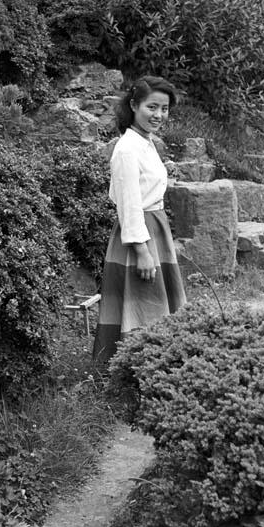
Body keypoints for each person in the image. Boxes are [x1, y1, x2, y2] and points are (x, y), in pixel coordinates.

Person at [93, 75, 186, 366]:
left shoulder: (145, 144)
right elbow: (129, 205)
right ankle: (135, 369)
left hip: (153, 229)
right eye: (152, 107)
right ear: (134, 105)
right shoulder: (126, 149)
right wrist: (142, 250)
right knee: (142, 304)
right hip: (139, 236)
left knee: (152, 302)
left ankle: (156, 365)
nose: (159, 115)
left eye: (165, 109)